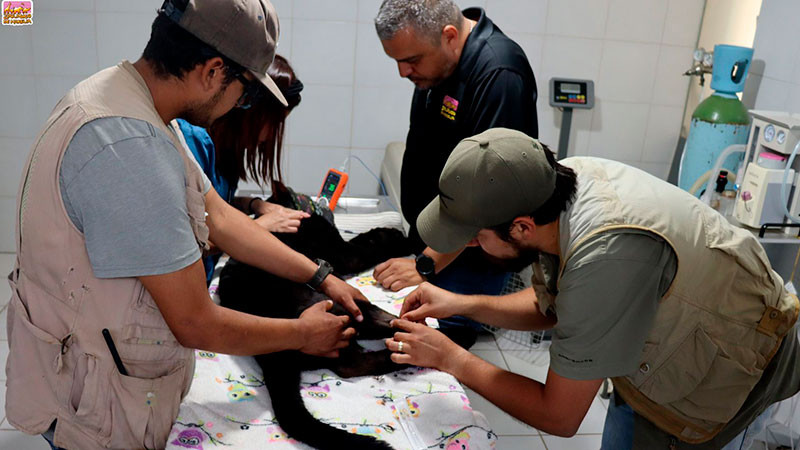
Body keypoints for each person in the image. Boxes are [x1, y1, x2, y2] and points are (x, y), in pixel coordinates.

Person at [5, 1, 366, 449]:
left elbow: (219, 216)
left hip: (100, 364)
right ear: (214, 71)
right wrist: (302, 335)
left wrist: (320, 276)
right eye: (247, 92)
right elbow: (195, 321)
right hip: (92, 405)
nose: (241, 105)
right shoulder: (127, 148)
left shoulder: (131, 98)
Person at [384, 128, 800, 449]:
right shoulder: (555, 185)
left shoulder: (606, 256)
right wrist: (462, 304)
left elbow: (560, 416)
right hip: (653, 361)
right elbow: (558, 303)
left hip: (732, 379)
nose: (469, 247)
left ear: (521, 227)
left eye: (474, 237)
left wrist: (450, 358)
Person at [371, 0, 539, 329]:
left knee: (434, 349)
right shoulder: (439, 68)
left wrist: (427, 265)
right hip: (437, 245)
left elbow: (490, 192)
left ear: (449, 36)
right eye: (397, 61)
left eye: (411, 60)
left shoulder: (499, 74)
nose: (403, 72)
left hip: (467, 256)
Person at [173, 54, 309, 284]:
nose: (268, 137)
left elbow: (213, 204)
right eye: (273, 125)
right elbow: (185, 245)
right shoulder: (192, 141)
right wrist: (258, 227)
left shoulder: (227, 149)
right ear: (249, 110)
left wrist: (254, 205)